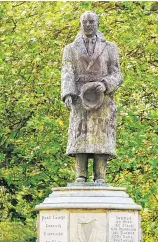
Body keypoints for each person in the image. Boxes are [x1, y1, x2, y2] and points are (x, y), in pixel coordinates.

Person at [61, 11, 122, 183]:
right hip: (80, 98)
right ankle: (80, 175)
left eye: (91, 21)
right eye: (85, 22)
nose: (88, 24)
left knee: (100, 136)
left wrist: (105, 84)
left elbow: (117, 74)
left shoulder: (110, 48)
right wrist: (68, 94)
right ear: (80, 24)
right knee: (80, 135)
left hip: (102, 98)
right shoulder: (70, 49)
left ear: (97, 23)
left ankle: (100, 176)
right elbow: (67, 72)